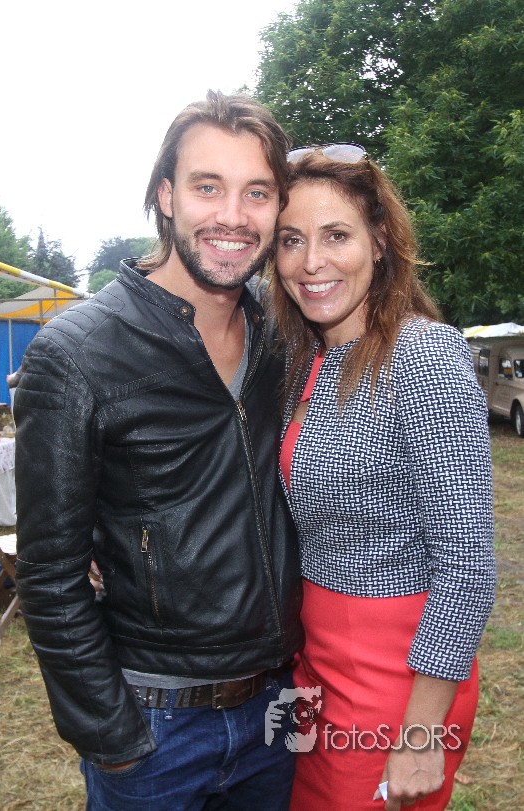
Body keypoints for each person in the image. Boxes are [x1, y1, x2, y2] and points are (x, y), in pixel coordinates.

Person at [14, 90, 304, 811]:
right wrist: (112, 734)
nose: (233, 215)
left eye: (257, 192)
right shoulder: (78, 353)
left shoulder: (286, 336)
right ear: (167, 197)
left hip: (277, 712)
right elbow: (48, 573)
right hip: (155, 727)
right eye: (208, 187)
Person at [271, 144, 496, 811]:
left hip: (397, 675)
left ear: (377, 239)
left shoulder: (421, 353)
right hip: (311, 663)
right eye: (290, 240)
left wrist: (421, 732)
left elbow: (467, 562)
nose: (311, 262)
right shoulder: (303, 360)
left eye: (335, 235)